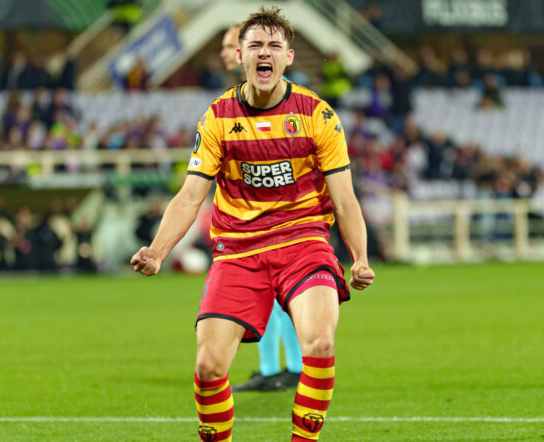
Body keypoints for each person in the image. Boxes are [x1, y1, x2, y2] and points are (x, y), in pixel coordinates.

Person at [130, 7, 375, 441]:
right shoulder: (218, 118)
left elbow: (345, 198)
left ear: (289, 57)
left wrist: (359, 258)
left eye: (274, 46)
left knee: (320, 344)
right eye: (256, 45)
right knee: (208, 368)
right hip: (238, 251)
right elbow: (191, 195)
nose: (265, 53)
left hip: (304, 244)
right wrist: (157, 250)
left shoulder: (317, 116)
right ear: (240, 55)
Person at [220, 23, 304, 393]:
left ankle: (284, 367)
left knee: (280, 297)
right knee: (275, 300)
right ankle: (279, 367)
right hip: (256, 220)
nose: (223, 52)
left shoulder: (289, 102)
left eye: (228, 44)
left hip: (284, 222)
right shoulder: (228, 104)